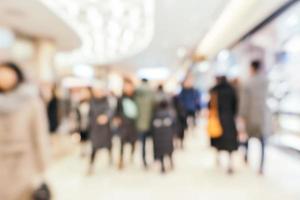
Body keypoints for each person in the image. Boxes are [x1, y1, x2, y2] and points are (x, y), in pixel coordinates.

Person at [0, 62, 50, 200]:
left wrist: (42, 165)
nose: (3, 78)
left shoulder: (31, 101)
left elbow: (39, 134)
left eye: (7, 74)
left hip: (23, 161)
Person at [239, 60, 271, 175]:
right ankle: (261, 166)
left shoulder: (248, 82)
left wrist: (242, 115)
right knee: (262, 142)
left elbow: (244, 102)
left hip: (251, 115)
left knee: (248, 137)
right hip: (263, 115)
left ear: (252, 68)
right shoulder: (266, 81)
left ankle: (246, 156)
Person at [209, 76, 238, 174]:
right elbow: (235, 104)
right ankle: (230, 163)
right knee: (230, 142)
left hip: (217, 118)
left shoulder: (215, 90)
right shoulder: (231, 90)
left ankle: (217, 157)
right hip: (229, 119)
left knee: (218, 139)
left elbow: (210, 105)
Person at [88, 86, 113, 174]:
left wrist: (106, 117)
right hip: (95, 129)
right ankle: (91, 165)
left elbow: (110, 111)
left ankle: (110, 159)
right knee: (94, 147)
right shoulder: (92, 102)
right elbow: (89, 115)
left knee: (108, 145)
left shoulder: (106, 101)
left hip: (105, 129)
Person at [115, 78, 138, 169]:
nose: (127, 88)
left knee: (133, 142)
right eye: (126, 86)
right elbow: (117, 110)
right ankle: (121, 160)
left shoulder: (136, 97)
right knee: (122, 142)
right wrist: (117, 118)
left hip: (134, 124)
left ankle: (131, 155)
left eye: (129, 86)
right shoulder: (120, 98)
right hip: (124, 124)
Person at [134, 78, 155, 168]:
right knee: (153, 142)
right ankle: (154, 158)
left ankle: (144, 160)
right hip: (151, 122)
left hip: (139, 123)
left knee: (142, 143)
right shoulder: (152, 93)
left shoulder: (136, 93)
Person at [152, 100, 175, 173]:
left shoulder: (156, 114)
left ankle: (163, 166)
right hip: (168, 137)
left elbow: (152, 125)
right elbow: (174, 124)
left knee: (161, 152)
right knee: (169, 151)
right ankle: (171, 162)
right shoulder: (170, 113)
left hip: (159, 138)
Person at [76, 88, 91, 157]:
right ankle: (82, 151)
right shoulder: (79, 103)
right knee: (82, 138)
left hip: (89, 124)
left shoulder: (91, 102)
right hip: (81, 124)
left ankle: (88, 151)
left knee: (88, 138)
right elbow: (77, 115)